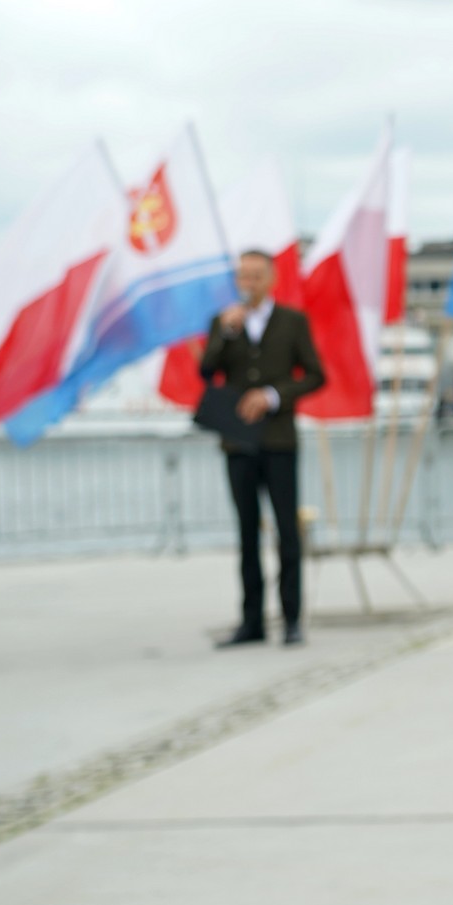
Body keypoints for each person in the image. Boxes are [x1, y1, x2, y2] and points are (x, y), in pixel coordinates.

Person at [202, 249, 325, 648]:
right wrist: (225, 333)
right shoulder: (224, 323)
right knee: (246, 532)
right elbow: (206, 371)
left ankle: (291, 619)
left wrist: (273, 396)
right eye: (243, 276)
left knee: (287, 530)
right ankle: (251, 621)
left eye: (256, 276)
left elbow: (315, 375)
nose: (249, 283)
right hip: (238, 441)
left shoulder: (292, 321)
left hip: (278, 439)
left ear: (271, 279)